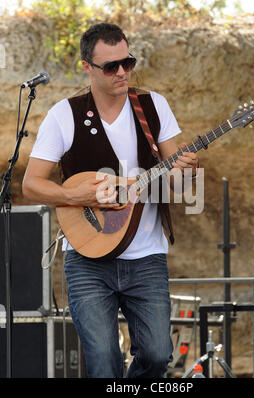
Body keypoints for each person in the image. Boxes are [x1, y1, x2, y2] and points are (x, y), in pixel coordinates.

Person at [22, 23, 198, 378]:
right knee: (102, 361)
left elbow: (178, 186)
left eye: (127, 62)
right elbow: (31, 185)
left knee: (157, 354)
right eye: (111, 66)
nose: (122, 72)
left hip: (146, 255)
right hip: (87, 259)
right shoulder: (64, 115)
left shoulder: (154, 106)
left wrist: (188, 171)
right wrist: (77, 194)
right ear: (87, 67)